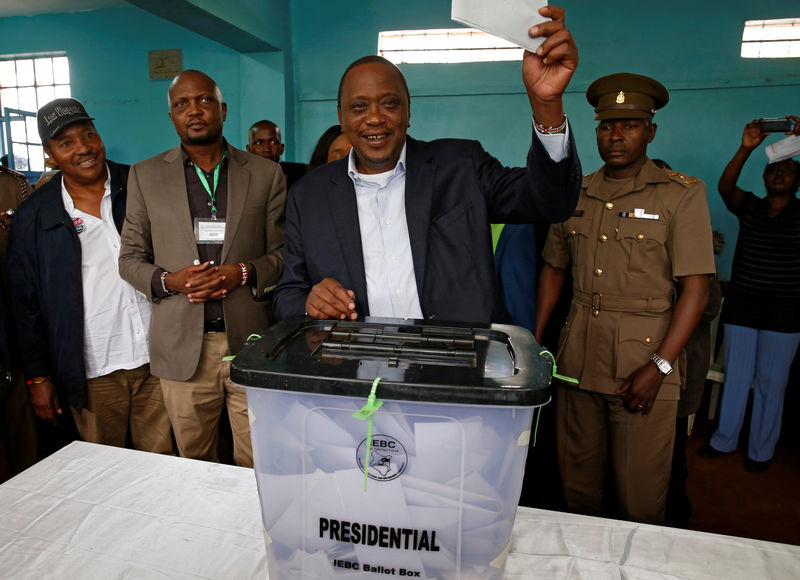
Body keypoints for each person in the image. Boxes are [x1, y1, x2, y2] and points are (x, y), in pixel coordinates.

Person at [275, 5, 582, 323]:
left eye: (390, 103)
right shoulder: (308, 196)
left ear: (409, 111)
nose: (376, 117)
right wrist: (310, 302)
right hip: (358, 366)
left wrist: (546, 105)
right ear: (342, 117)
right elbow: (287, 296)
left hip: (460, 362)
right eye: (359, 106)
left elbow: (550, 202)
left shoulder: (461, 166)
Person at [535, 73, 715, 524]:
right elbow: (554, 270)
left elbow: (697, 287)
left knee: (639, 501)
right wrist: (537, 342)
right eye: (606, 125)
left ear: (650, 131)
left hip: (645, 367)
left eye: (630, 125)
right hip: (576, 362)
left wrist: (661, 367)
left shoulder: (682, 194)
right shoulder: (574, 190)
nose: (616, 135)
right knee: (576, 495)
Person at [119, 70, 286, 467]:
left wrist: (241, 273)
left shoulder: (265, 174)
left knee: (257, 461)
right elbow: (129, 259)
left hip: (251, 343)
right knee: (194, 464)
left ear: (223, 110)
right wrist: (169, 281)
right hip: (182, 350)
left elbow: (285, 255)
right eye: (182, 104)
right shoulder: (145, 176)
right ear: (172, 116)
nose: (194, 111)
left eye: (204, 100)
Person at [8, 98, 173, 454]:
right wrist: (38, 376)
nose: (84, 148)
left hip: (158, 357)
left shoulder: (141, 184)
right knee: (104, 471)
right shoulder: (34, 216)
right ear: (50, 154)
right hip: (94, 369)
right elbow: (26, 304)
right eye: (66, 143)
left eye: (88, 135)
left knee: (162, 468)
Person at [699, 116, 800, 473]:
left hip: (786, 314)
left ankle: (761, 451)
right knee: (737, 379)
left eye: (788, 169)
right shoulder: (751, 207)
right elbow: (725, 187)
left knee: (773, 385)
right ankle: (723, 440)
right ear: (764, 177)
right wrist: (747, 148)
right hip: (743, 307)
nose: (779, 174)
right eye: (774, 169)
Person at [246, 120, 307, 190]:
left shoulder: (302, 173)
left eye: (273, 142)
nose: (267, 149)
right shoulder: (240, 179)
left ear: (282, 148)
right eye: (259, 143)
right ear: (249, 150)